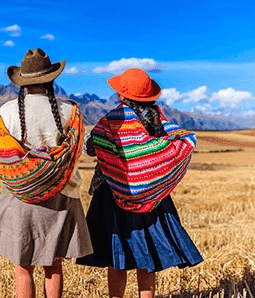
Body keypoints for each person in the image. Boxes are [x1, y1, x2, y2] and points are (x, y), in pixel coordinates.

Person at [76, 68, 203, 298]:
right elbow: (179, 142)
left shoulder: (111, 120)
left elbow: (90, 146)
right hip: (152, 197)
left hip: (111, 194)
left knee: (118, 257)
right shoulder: (159, 120)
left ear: (122, 96)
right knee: (147, 256)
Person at [0, 48, 92, 298]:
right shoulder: (71, 111)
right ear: (52, 79)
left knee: (22, 267)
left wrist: (27, 173)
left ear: (22, 81)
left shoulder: (6, 112)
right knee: (54, 264)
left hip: (19, 196)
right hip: (62, 194)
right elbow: (76, 150)